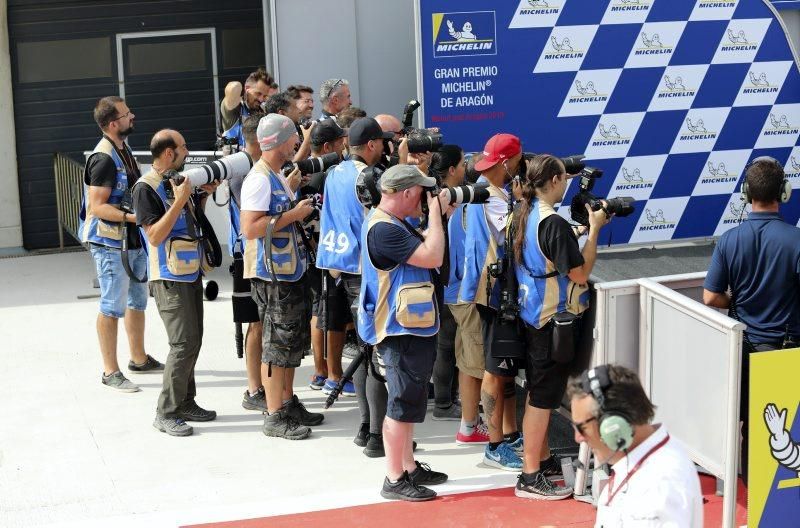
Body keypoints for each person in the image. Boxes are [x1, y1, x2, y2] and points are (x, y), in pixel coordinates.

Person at [512, 154, 609, 498]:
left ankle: (539, 458)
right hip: (553, 319)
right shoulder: (552, 223)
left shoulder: (525, 212)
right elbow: (579, 273)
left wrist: (575, 233)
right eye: (564, 177)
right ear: (553, 180)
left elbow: (548, 254)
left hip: (533, 314)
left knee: (538, 393)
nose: (567, 182)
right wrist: (594, 231)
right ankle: (529, 476)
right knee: (542, 398)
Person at [703, 156, 800, 482]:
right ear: (783, 193)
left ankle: (745, 494)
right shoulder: (796, 240)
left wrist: (737, 301)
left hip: (741, 348)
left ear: (746, 193)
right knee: (778, 428)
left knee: (743, 421)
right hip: (784, 353)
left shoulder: (730, 240)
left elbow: (711, 297)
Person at [358, 164, 449, 502]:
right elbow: (432, 254)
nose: (425, 199)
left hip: (409, 326)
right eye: (422, 193)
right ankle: (394, 477)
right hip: (399, 330)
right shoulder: (385, 230)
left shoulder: (393, 223)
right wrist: (437, 218)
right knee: (401, 402)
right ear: (408, 192)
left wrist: (433, 218)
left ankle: (408, 466)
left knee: (408, 400)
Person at [240, 113, 323, 440]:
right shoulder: (259, 179)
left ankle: (286, 401)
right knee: (277, 344)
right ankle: (274, 414)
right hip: (273, 276)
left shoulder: (274, 175)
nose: (296, 143)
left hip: (288, 271)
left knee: (290, 343)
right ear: (279, 140)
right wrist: (295, 213)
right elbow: (250, 228)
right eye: (292, 138)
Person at [132, 129, 219, 436]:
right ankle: (165, 411)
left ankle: (186, 401)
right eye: (183, 147)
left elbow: (189, 221)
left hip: (190, 271)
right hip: (168, 277)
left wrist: (201, 197)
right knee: (182, 344)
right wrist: (179, 201)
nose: (187, 152)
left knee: (193, 340)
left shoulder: (176, 182)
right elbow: (154, 235)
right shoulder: (145, 188)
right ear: (168, 153)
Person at [317, 117, 394, 455]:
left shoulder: (335, 172)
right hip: (367, 270)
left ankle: (366, 427)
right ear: (374, 145)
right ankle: (377, 435)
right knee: (377, 351)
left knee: (364, 348)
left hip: (339, 268)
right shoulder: (370, 176)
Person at [79, 96, 163, 393]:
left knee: (137, 300)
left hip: (130, 239)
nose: (133, 116)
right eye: (127, 114)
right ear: (114, 124)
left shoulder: (122, 148)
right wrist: (134, 217)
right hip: (110, 242)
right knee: (112, 305)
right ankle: (110, 371)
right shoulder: (103, 158)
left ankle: (138, 359)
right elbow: (97, 207)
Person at [458, 133, 524, 469]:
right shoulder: (490, 196)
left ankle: (510, 435)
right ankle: (494, 446)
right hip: (492, 293)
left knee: (506, 369)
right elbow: (518, 235)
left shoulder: (492, 189)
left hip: (499, 291)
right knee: (494, 370)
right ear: (507, 162)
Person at [568, 364, 703, 526]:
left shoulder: (658, 484)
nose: (578, 438)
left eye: (581, 427)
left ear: (613, 425)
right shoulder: (639, 460)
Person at [305, 119, 354, 397]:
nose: (344, 147)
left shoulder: (310, 172)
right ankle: (333, 375)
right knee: (330, 315)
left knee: (318, 312)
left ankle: (321, 372)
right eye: (339, 142)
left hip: (319, 254)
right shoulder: (324, 175)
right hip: (326, 255)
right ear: (327, 146)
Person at [227, 112, 266, 412]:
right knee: (255, 323)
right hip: (246, 253)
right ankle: (254, 389)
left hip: (259, 253)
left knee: (263, 323)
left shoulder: (258, 165)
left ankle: (266, 386)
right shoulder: (241, 166)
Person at [426, 145, 467, 422]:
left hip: (442, 284)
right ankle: (443, 403)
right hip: (451, 286)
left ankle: (444, 398)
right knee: (448, 348)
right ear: (451, 170)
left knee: (445, 347)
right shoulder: (446, 203)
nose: (466, 168)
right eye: (463, 163)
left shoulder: (430, 197)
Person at [220, 68, 274, 146]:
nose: (261, 99)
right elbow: (234, 87)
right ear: (247, 88)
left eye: (264, 96)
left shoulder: (262, 111)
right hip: (235, 156)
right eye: (258, 94)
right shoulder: (235, 106)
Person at [263, 91, 315, 162]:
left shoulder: (298, 128)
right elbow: (290, 167)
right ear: (282, 113)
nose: (299, 111)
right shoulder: (273, 139)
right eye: (295, 107)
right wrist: (307, 141)